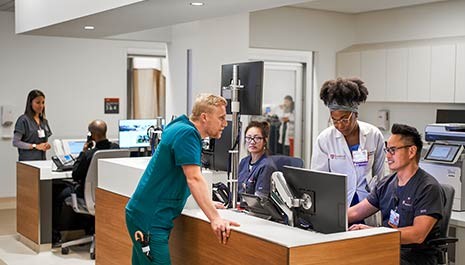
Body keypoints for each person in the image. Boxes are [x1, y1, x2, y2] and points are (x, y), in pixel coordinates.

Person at [125, 94, 240, 265]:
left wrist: (207, 202)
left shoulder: (179, 125)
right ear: (204, 117)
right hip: (150, 220)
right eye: (221, 118)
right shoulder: (187, 134)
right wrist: (215, 218)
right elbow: (193, 178)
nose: (225, 124)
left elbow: (179, 176)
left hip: (143, 214)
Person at [348, 124, 444, 265]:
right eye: (387, 150)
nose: (387, 155)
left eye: (393, 150)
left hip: (415, 257)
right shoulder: (386, 183)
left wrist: (373, 232)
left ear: (411, 151)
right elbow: (356, 212)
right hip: (388, 248)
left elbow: (417, 234)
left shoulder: (428, 188)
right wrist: (326, 217)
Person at [311, 77, 385, 208]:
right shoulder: (325, 139)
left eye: (345, 120)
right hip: (337, 203)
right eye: (334, 120)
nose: (340, 125)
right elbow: (318, 179)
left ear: (355, 114)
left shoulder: (373, 135)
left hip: (368, 202)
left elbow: (380, 174)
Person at [52, 119, 119, 244]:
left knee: (57, 193)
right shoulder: (116, 149)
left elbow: (75, 175)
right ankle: (89, 229)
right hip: (109, 194)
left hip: (90, 197)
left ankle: (55, 236)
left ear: (91, 135)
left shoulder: (89, 154)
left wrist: (83, 152)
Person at [238, 121, 277, 198]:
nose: (252, 142)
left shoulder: (266, 166)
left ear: (265, 141)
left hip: (254, 209)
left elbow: (260, 200)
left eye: (257, 138)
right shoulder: (244, 162)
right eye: (248, 138)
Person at [13, 89, 52, 161]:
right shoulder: (23, 120)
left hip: (42, 161)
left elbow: (43, 141)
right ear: (30, 103)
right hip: (27, 162)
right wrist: (35, 146)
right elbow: (16, 142)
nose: (41, 105)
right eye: (38, 102)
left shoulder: (44, 121)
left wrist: (46, 145)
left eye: (43, 102)